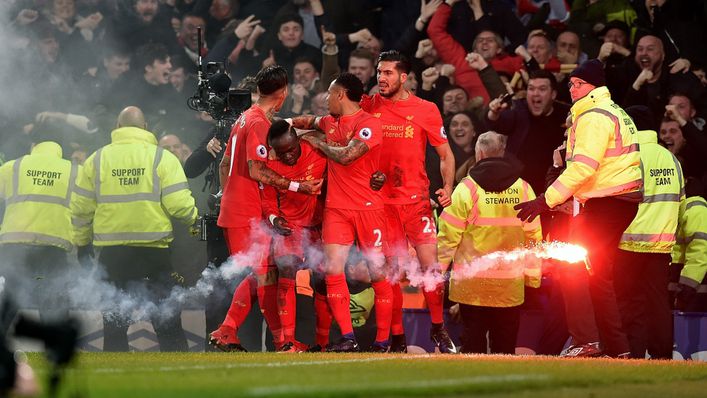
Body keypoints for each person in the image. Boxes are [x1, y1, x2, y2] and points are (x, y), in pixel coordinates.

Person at [515, 59, 643, 358]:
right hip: (617, 200)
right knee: (597, 275)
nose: (572, 88)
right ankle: (615, 347)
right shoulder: (612, 111)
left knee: (575, 270)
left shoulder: (593, 116)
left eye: (579, 84)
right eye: (571, 83)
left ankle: (590, 341)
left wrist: (545, 200)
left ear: (594, 86)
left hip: (605, 201)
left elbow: (584, 168)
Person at [71, 106, 198, 352]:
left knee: (114, 327)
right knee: (168, 324)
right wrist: (194, 223)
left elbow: (80, 210)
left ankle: (113, 385)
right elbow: (180, 205)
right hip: (154, 253)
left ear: (117, 128)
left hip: (112, 254)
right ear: (146, 128)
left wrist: (82, 243)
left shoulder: (96, 159)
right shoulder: (162, 158)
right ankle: (180, 380)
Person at [216, 65, 321, 350]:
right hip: (248, 212)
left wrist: (229, 198)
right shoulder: (259, 122)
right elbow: (256, 170)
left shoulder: (242, 119)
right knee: (266, 279)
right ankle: (281, 341)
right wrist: (298, 186)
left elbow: (224, 164)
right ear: (283, 93)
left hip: (237, 209)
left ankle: (233, 331)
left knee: (264, 276)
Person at [360, 50, 457, 353]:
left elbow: (445, 154)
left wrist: (448, 187)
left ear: (404, 77)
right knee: (390, 272)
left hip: (416, 202)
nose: (381, 78)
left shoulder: (425, 109)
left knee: (430, 268)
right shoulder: (368, 105)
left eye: (388, 73)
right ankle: (398, 337)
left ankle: (438, 328)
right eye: (379, 72)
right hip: (382, 204)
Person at [290, 72, 392, 352]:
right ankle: (348, 338)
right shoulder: (329, 122)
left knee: (378, 273)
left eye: (329, 94)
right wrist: (284, 124)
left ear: (340, 95)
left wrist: (316, 142)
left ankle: (383, 340)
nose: (325, 100)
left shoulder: (369, 124)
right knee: (333, 270)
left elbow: (348, 156)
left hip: (368, 208)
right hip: (336, 209)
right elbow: (308, 121)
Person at [437, 131, 542, 354]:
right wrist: (532, 279)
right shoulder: (524, 188)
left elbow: (448, 238)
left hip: (471, 288)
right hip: (509, 288)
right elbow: (534, 237)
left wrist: (435, 274)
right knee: (505, 351)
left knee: (472, 352)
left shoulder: (466, 189)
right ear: (501, 153)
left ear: (480, 154)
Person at [615, 105, 684, 359]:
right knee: (658, 305)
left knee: (629, 303)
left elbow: (619, 200)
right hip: (661, 246)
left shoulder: (630, 156)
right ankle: (662, 356)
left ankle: (632, 355)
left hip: (629, 243)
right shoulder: (671, 159)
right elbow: (681, 202)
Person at [259, 120, 327, 352]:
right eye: (281, 152)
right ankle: (287, 341)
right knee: (286, 267)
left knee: (324, 280)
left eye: (291, 150)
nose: (288, 156)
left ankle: (323, 343)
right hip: (292, 226)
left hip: (319, 225)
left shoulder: (317, 150)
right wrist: (274, 220)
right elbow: (267, 200)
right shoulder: (269, 165)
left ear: (299, 141)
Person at [0, 127, 78, 324]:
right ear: (60, 147)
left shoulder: (12, 167)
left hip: (14, 245)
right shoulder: (75, 170)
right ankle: (55, 350)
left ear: (34, 145)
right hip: (52, 248)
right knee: (53, 298)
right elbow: (85, 208)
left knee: (11, 298)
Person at [485, 69, 569, 203]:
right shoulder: (519, 110)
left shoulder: (566, 115)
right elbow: (498, 123)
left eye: (542, 89)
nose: (535, 93)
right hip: (518, 191)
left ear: (553, 94)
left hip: (554, 192)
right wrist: (493, 113)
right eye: (531, 89)